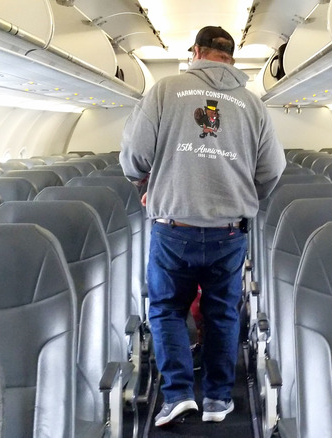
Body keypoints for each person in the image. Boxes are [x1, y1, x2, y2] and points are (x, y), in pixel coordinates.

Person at [120, 26, 286, 427]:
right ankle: (216, 399)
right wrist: (242, 195)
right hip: (229, 231)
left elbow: (134, 158)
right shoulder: (253, 104)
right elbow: (273, 169)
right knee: (223, 313)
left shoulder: (164, 91)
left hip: (173, 226)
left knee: (167, 309)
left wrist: (147, 184)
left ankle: (177, 395)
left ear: (195, 51)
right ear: (231, 56)